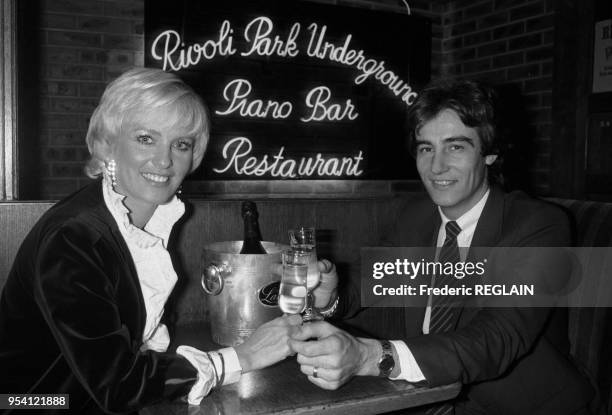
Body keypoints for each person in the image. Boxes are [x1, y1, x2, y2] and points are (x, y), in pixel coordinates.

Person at [0, 67, 303, 414]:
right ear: (106, 143)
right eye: (146, 138)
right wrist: (240, 357)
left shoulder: (134, 222)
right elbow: (118, 388)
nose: (164, 160)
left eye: (181, 144)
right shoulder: (74, 237)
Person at [289, 79, 594, 414]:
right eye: (426, 148)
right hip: (424, 397)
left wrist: (374, 356)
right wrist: (328, 295)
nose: (436, 167)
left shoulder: (539, 225)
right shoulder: (415, 218)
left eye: (456, 147)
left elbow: (495, 338)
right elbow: (365, 284)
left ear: (490, 153)